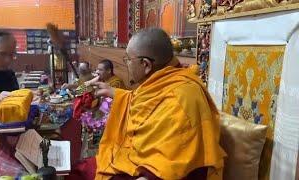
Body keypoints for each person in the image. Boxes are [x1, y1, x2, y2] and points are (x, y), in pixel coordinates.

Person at [68, 28, 225, 180]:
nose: (127, 63)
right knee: (79, 169)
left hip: (153, 172)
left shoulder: (181, 97)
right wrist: (116, 94)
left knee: (83, 172)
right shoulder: (162, 80)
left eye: (128, 59)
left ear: (146, 64)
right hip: (136, 158)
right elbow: (147, 101)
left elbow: (173, 163)